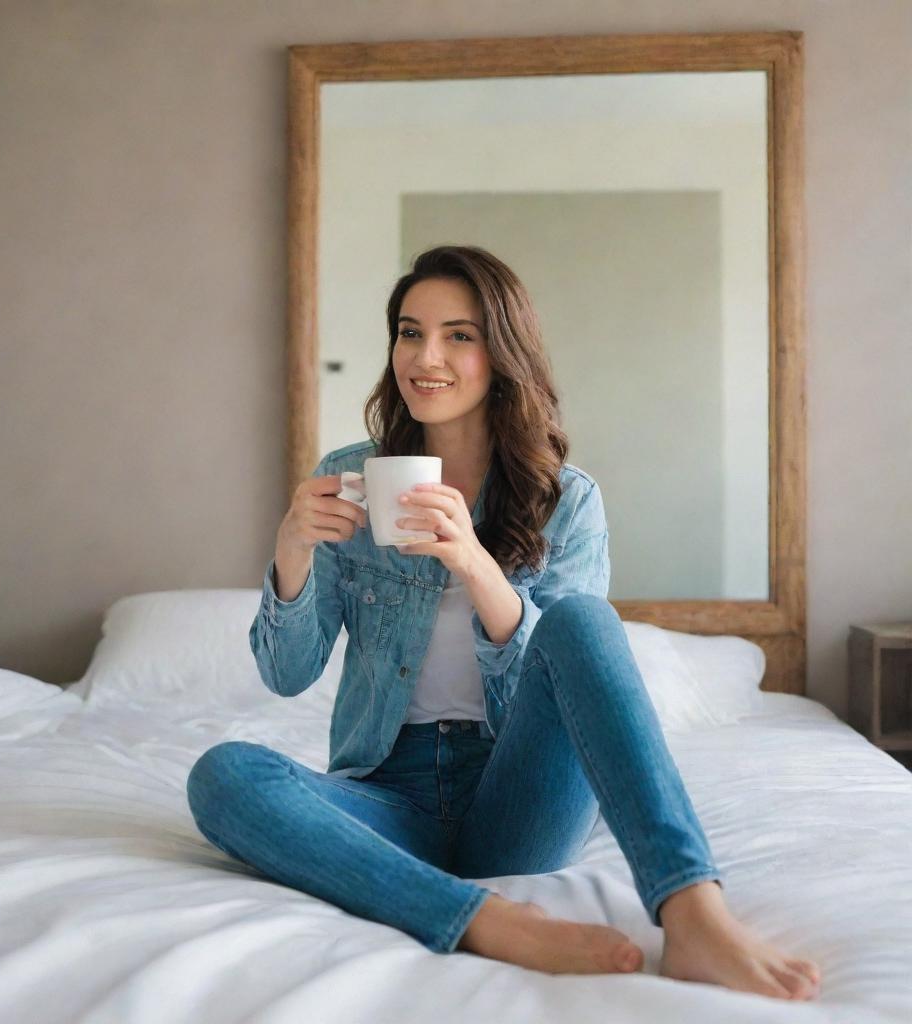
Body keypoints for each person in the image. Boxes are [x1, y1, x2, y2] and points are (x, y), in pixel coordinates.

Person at [187, 245, 820, 999]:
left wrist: (477, 567)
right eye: (408, 331)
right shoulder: (350, 475)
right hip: (389, 798)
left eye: (460, 335)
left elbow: (554, 688)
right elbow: (287, 676)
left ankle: (692, 909)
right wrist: (291, 550)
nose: (426, 356)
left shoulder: (569, 501)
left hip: (517, 799)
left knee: (581, 619)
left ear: (503, 353)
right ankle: (488, 921)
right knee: (224, 776)